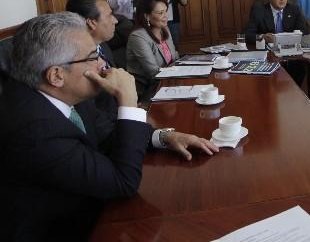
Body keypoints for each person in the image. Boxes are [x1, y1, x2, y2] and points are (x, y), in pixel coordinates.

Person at [0, 12, 217, 241]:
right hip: (65, 230)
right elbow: (123, 182)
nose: (103, 65)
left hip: (94, 207)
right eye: (93, 56)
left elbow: (108, 133)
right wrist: (129, 100)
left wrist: (163, 137)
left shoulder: (63, 94)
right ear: (56, 75)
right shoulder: (34, 130)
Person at [66, 0, 120, 119]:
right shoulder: (76, 62)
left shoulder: (103, 46)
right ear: (91, 22)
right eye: (109, 15)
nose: (116, 20)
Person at [127, 0, 179, 101]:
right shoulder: (138, 36)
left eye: (166, 11)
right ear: (147, 16)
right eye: (160, 13)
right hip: (148, 89)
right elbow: (153, 72)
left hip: (168, 83)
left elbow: (175, 57)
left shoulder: (164, 29)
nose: (166, 16)